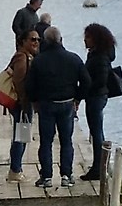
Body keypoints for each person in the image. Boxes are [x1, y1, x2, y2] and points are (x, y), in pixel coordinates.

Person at [24, 25, 86, 191]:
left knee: (46, 141)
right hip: (67, 103)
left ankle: (46, 177)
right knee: (66, 141)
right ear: (61, 40)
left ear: (45, 41)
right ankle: (67, 176)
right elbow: (86, 82)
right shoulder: (74, 59)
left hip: (46, 104)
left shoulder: (39, 61)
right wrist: (78, 97)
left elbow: (30, 86)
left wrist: (35, 101)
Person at [0, 28, 40, 176]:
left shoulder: (27, 56)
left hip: (23, 104)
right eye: (32, 39)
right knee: (21, 136)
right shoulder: (22, 57)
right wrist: (24, 102)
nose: (36, 42)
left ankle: (16, 168)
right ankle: (15, 170)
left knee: (22, 135)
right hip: (22, 104)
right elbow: (18, 81)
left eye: (38, 39)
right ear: (23, 41)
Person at [81, 21, 118, 184]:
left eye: (88, 37)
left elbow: (101, 80)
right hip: (95, 96)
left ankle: (98, 168)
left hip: (96, 96)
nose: (85, 40)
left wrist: (85, 89)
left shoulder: (101, 57)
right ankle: (100, 165)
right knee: (96, 131)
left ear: (96, 38)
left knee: (96, 132)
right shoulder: (96, 54)